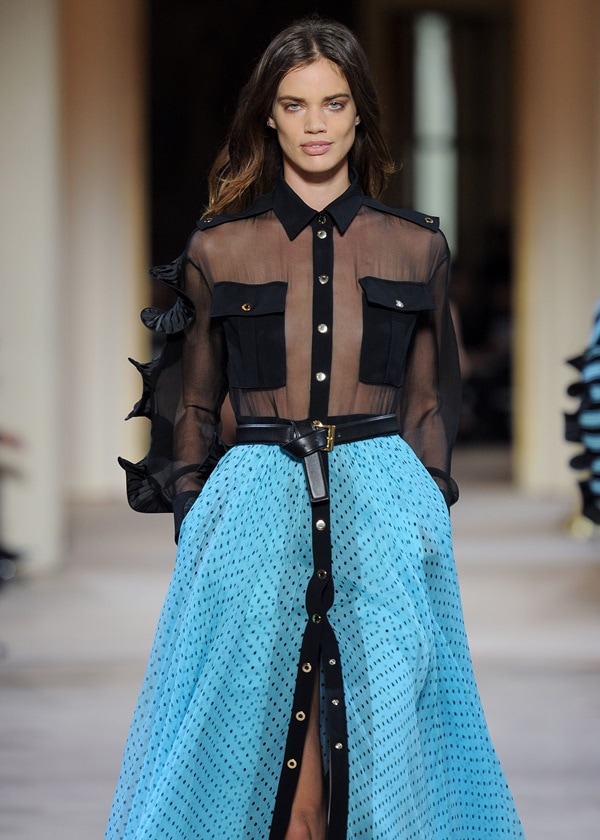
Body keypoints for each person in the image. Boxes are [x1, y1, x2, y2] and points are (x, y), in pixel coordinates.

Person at [107, 16, 524, 840]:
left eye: (333, 104)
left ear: (360, 114)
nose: (315, 124)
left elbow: (430, 402)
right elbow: (192, 408)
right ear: (269, 115)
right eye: (295, 106)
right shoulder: (221, 248)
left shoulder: (415, 247)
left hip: (382, 510)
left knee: (385, 745)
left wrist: (424, 512)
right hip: (252, 514)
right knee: (262, 751)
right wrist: (202, 532)